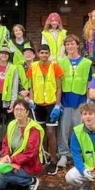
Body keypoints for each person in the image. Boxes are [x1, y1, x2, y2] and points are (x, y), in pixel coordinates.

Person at [0, 98, 43, 190]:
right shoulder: (12, 124)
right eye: (16, 109)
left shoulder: (34, 129)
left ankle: (31, 181)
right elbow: (5, 143)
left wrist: (11, 160)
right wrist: (6, 155)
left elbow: (31, 153)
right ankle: (14, 179)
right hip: (13, 161)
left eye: (21, 109)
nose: (18, 112)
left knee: (2, 176)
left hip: (29, 165)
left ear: (27, 112)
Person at [57, 35, 93, 168]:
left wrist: (88, 100)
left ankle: (78, 154)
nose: (70, 46)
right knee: (64, 129)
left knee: (80, 129)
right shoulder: (61, 62)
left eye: (72, 44)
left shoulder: (87, 63)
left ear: (77, 45)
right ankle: (64, 154)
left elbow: (89, 82)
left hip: (80, 100)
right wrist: (57, 102)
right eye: (67, 44)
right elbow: (58, 83)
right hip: (65, 100)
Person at [27, 44, 63, 173]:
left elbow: (59, 88)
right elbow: (31, 86)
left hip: (51, 104)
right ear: (38, 54)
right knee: (39, 132)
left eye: (46, 53)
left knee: (50, 132)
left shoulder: (55, 67)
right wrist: (31, 99)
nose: (44, 55)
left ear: (49, 54)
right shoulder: (33, 67)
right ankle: (42, 157)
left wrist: (57, 105)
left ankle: (53, 160)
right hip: (37, 104)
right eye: (41, 53)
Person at [0, 47, 25, 153]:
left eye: (6, 54)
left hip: (7, 100)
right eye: (2, 53)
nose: (4, 55)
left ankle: (8, 145)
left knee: (10, 123)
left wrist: (13, 102)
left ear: (9, 56)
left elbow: (14, 86)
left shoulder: (13, 68)